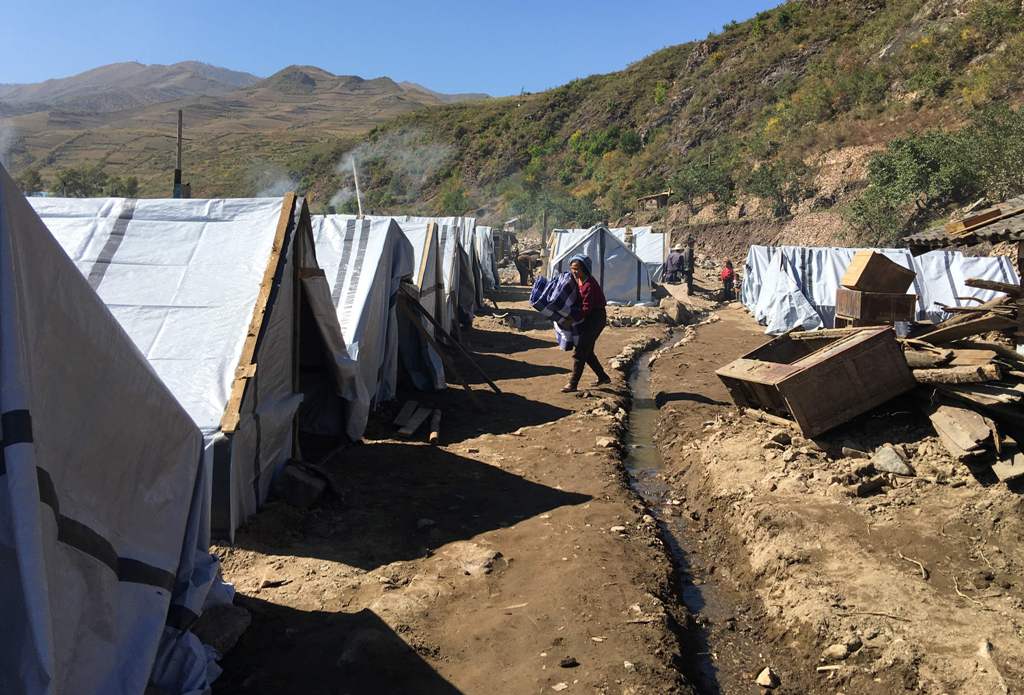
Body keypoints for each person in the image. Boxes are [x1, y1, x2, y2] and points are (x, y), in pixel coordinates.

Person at [562, 255, 611, 393]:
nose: (574, 271)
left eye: (577, 269)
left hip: (596, 318)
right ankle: (603, 377)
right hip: (588, 318)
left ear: (584, 269)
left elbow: (586, 308)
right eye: (572, 268)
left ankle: (573, 384)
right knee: (587, 351)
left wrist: (571, 319)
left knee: (581, 350)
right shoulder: (578, 280)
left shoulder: (589, 284)